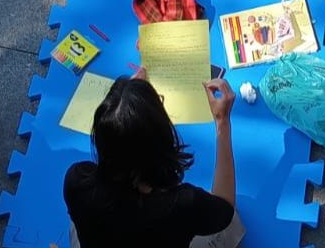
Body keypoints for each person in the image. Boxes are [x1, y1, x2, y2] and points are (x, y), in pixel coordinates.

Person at [63, 75, 244, 248]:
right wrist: (222, 122)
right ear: (161, 142)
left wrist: (126, 108)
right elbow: (226, 209)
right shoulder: (182, 205)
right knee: (231, 220)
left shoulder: (77, 181)